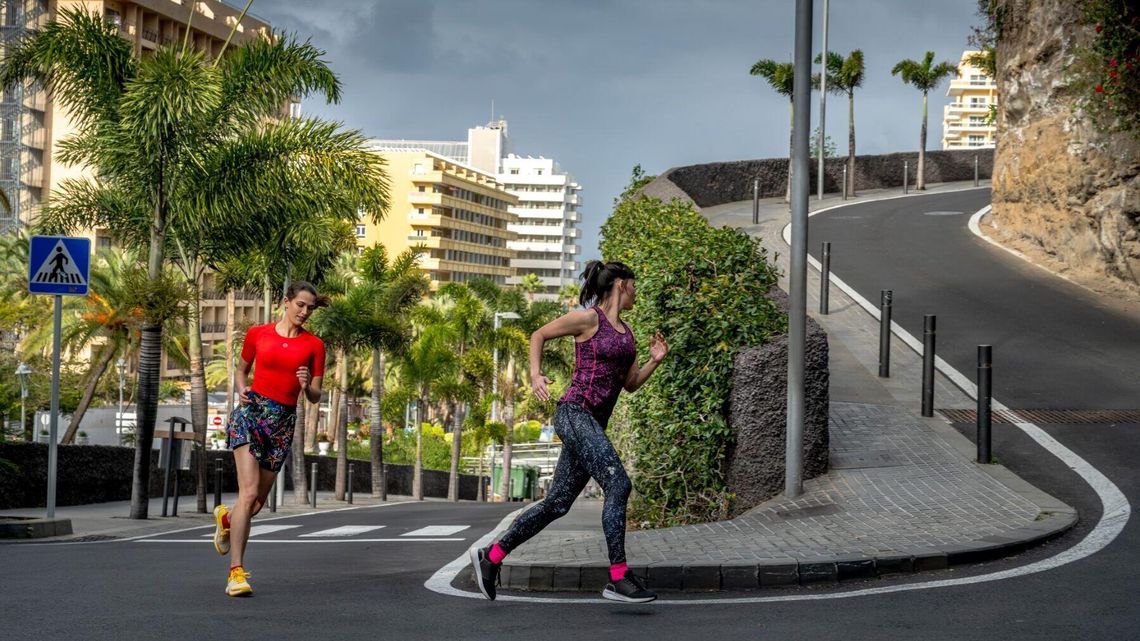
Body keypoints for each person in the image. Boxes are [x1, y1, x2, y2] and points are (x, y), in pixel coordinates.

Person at [470, 261, 669, 603]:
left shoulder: (628, 333)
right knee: (618, 484)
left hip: (591, 425)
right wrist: (535, 375)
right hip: (574, 413)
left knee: (557, 504)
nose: (637, 292)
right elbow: (539, 335)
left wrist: (654, 360)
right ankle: (618, 577)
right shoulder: (590, 319)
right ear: (621, 285)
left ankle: (492, 557)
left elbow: (631, 384)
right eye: (634, 285)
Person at [212, 281, 327, 597]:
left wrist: (306, 385)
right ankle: (236, 572)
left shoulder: (314, 346)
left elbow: (316, 396)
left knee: (257, 505)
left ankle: (226, 519)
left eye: (310, 308)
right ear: (286, 302)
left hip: (282, 423)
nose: (305, 312)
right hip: (251, 415)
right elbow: (241, 369)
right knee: (248, 494)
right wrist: (240, 388)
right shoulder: (258, 334)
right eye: (300, 305)